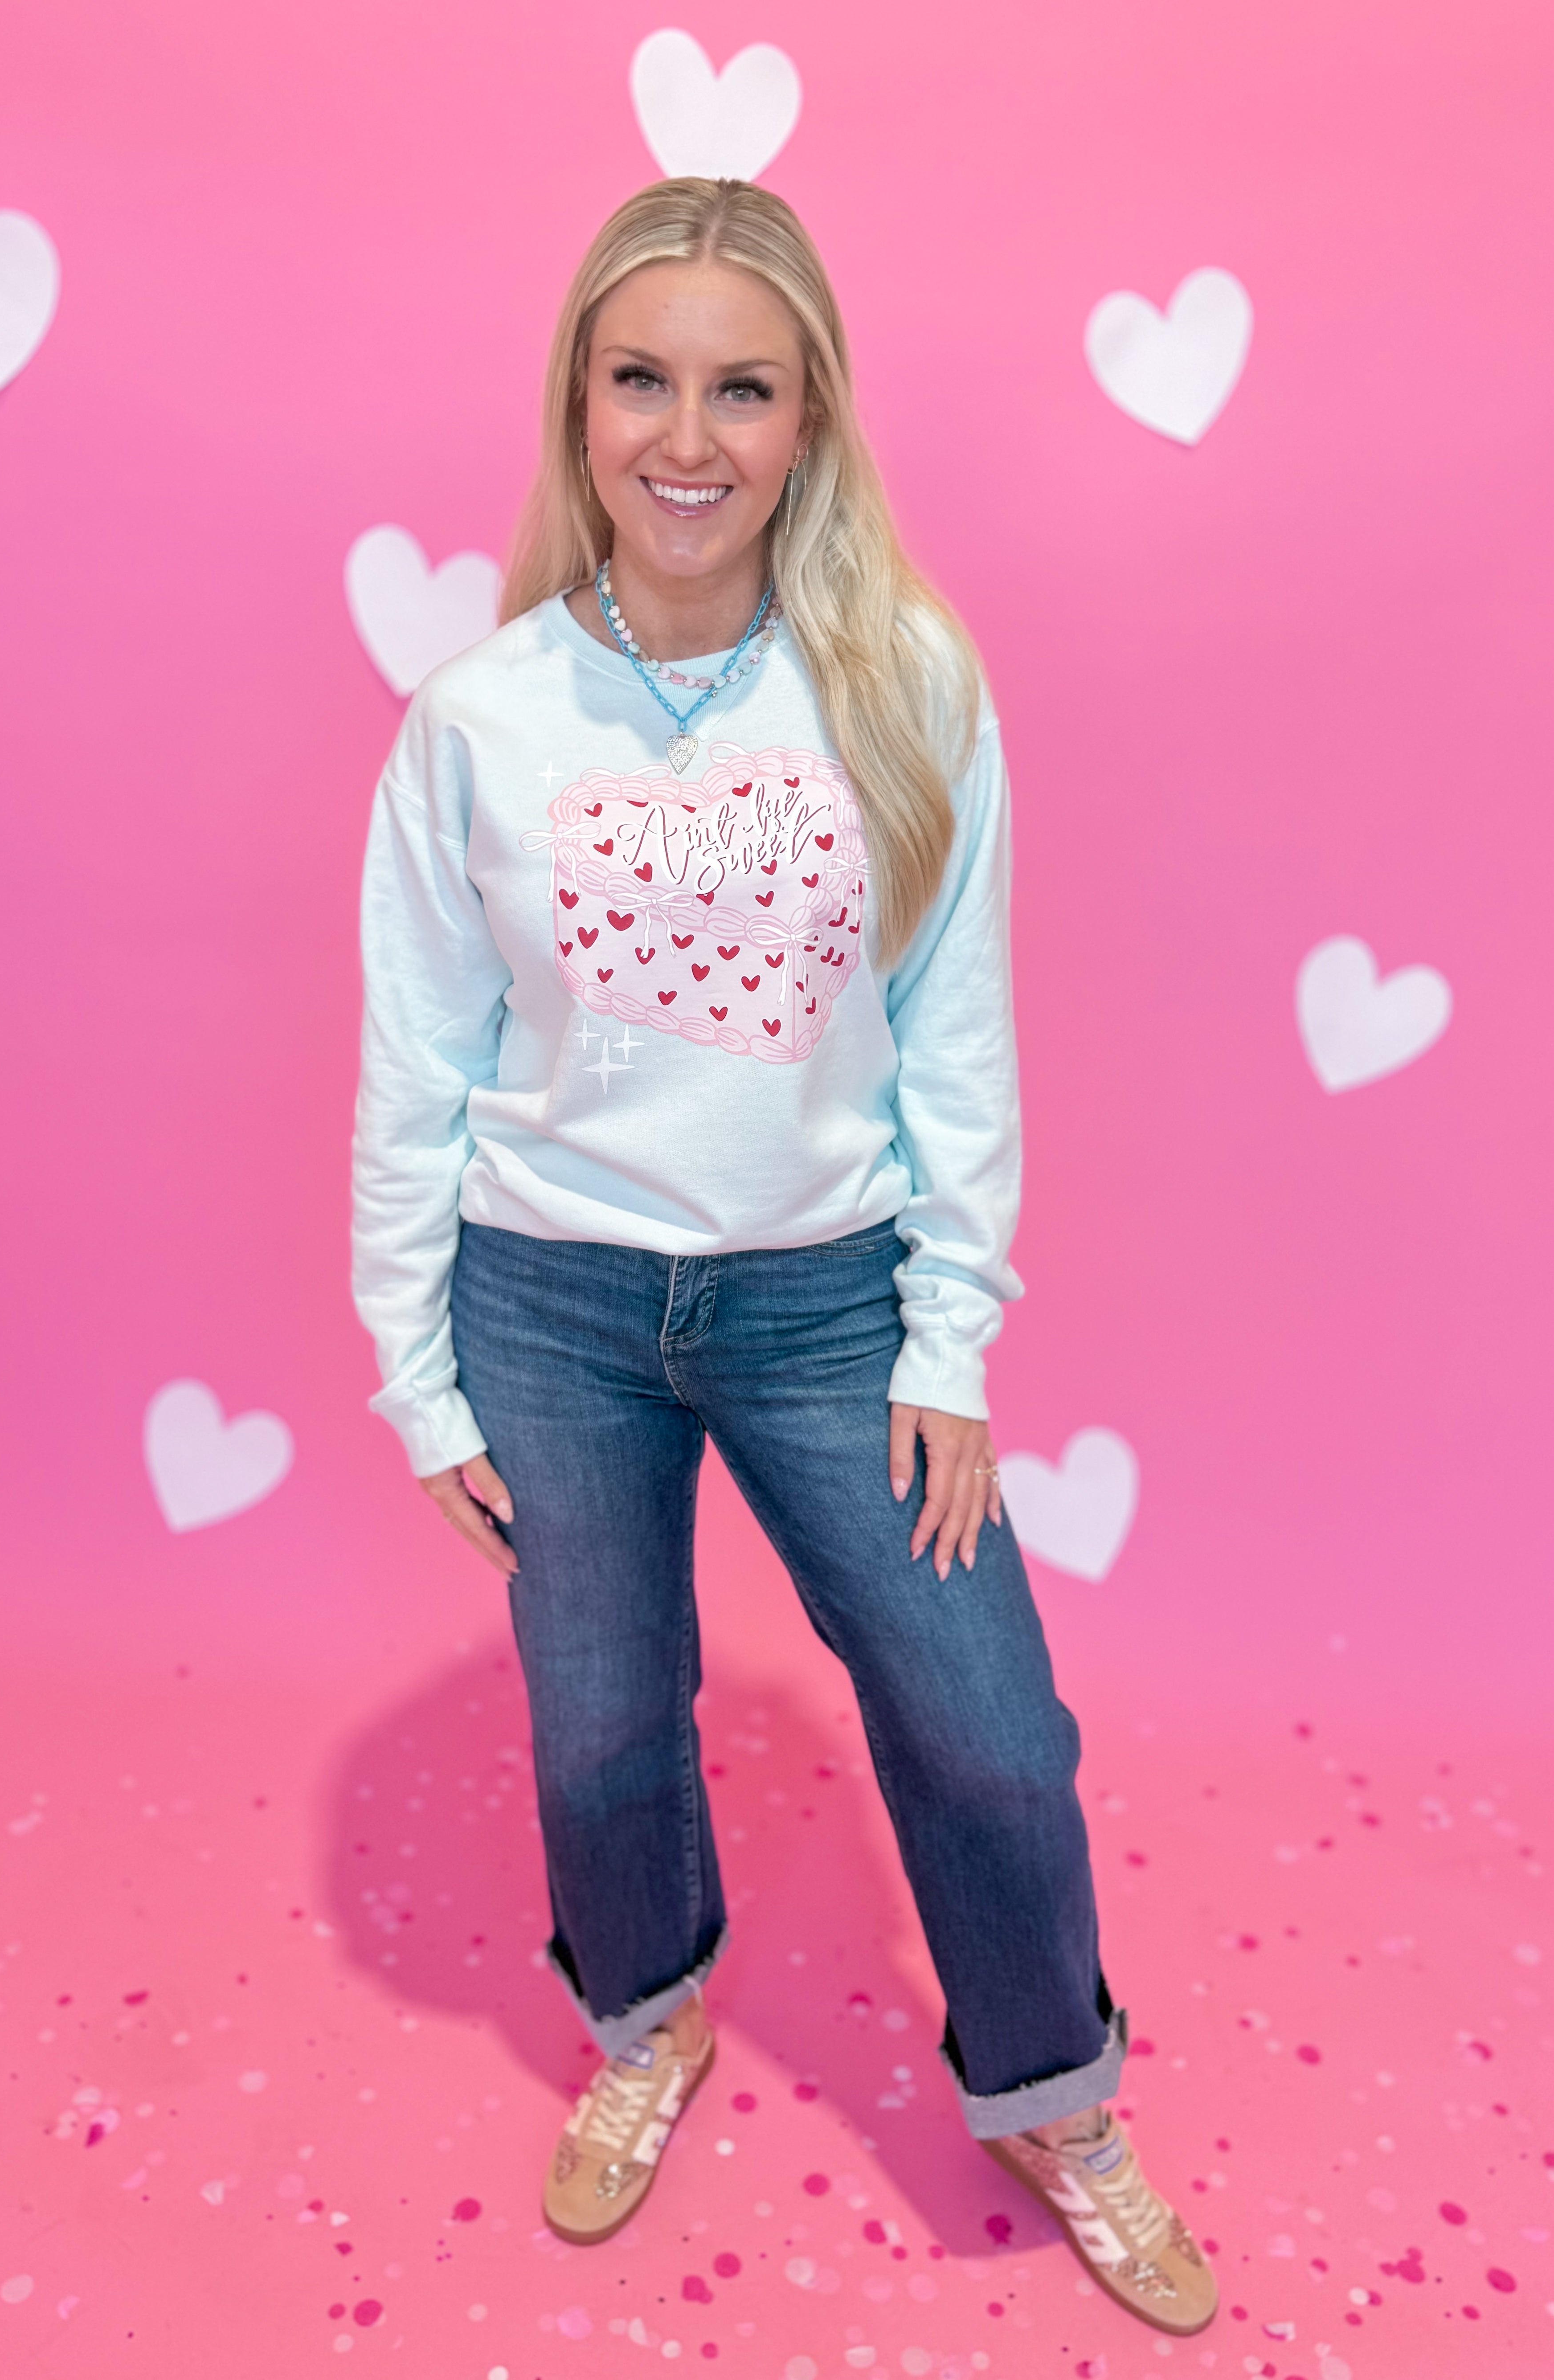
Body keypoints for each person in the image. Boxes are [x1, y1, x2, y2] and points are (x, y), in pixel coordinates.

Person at [350, 177, 1216, 2338]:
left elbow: (958, 1033)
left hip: (832, 1300)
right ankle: (646, 2018)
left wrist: (950, 1339)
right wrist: (416, 1372)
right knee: (599, 1732)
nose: (687, 436)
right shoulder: (478, 721)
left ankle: (1053, 2092)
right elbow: (417, 1063)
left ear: (811, 415)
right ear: (578, 404)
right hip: (550, 1304)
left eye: (743, 389)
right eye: (641, 379)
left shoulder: (903, 681)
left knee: (988, 1729)